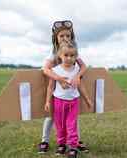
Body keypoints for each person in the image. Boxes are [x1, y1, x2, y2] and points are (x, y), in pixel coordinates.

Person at [38, 20, 91, 153]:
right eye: (62, 36)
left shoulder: (73, 52)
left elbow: (84, 66)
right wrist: (59, 78)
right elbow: (45, 69)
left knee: (73, 119)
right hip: (57, 94)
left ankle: (75, 141)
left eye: (68, 36)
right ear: (56, 38)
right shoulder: (53, 54)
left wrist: (78, 76)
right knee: (51, 117)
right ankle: (45, 140)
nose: (65, 38)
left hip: (71, 96)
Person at [45, 42, 86, 157]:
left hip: (73, 102)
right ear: (60, 56)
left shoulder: (77, 70)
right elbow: (50, 87)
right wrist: (47, 101)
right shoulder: (56, 70)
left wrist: (87, 100)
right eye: (66, 55)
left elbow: (81, 85)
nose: (69, 58)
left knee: (71, 124)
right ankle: (62, 144)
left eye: (72, 56)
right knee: (60, 124)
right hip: (59, 101)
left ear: (75, 56)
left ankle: (73, 147)